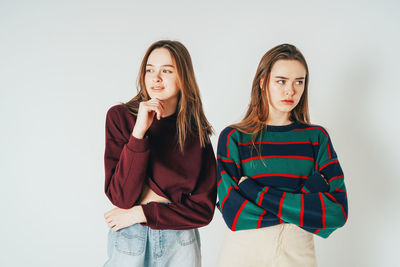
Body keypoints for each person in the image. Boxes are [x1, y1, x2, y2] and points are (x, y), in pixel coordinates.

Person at [216, 44, 348, 267]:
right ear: (262, 82)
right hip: (242, 255)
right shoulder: (234, 137)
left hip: (297, 256)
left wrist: (252, 190)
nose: (291, 91)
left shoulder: (316, 137)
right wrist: (306, 200)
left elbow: (337, 213)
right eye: (281, 81)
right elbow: (233, 213)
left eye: (299, 81)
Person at [103, 40, 217, 267]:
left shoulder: (196, 133)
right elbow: (121, 197)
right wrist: (138, 134)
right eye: (149, 70)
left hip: (180, 240)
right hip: (130, 236)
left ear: (183, 77)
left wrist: (142, 213)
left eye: (166, 70)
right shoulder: (121, 118)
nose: (155, 78)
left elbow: (203, 211)